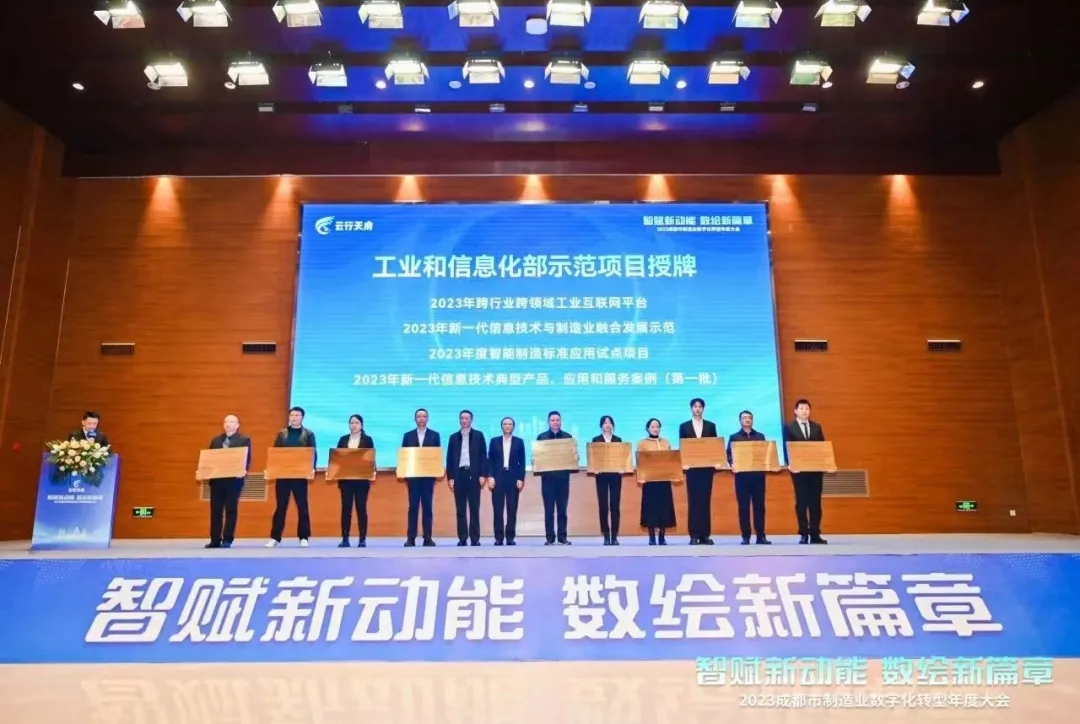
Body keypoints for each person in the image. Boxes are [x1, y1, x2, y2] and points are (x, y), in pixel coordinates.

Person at [266, 406, 316, 548]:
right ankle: (275, 537)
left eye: (297, 415)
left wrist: (312, 468)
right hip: (283, 476)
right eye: (292, 415)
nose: (294, 417)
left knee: (302, 507)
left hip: (300, 476)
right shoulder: (282, 434)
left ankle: (304, 537)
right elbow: (275, 453)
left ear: (302, 418)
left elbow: (313, 452)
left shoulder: (308, 434)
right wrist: (272, 469)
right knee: (280, 507)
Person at [783, 398, 828, 545]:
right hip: (799, 471)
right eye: (801, 409)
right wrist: (790, 464)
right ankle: (803, 533)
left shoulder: (816, 427)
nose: (804, 411)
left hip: (815, 471)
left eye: (807, 409)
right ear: (796, 411)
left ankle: (815, 533)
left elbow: (822, 447)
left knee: (815, 503)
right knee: (801, 503)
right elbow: (786, 447)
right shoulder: (789, 427)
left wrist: (826, 463)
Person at [204, 414, 250, 549]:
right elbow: (209, 459)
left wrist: (243, 470)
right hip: (217, 480)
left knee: (231, 510)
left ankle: (228, 539)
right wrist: (204, 471)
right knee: (215, 511)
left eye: (231, 422)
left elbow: (247, 458)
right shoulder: (216, 440)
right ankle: (215, 540)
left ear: (237, 425)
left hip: (234, 481)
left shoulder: (244, 440)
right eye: (226, 422)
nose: (228, 424)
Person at [678, 398, 718, 545]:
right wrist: (684, 463)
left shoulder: (711, 426)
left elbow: (714, 445)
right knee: (694, 501)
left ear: (703, 409)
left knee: (705, 501)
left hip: (707, 469)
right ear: (691, 409)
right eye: (695, 406)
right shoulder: (684, 426)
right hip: (692, 469)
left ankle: (705, 535)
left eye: (700, 407)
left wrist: (716, 461)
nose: (697, 409)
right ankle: (694, 535)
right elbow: (682, 446)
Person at [727, 410, 770, 546]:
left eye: (749, 418)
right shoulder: (734, 437)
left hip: (758, 477)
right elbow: (729, 454)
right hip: (742, 478)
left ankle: (760, 536)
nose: (747, 420)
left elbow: (766, 454)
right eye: (744, 418)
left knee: (759, 506)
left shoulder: (760, 436)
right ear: (740, 421)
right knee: (743, 507)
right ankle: (745, 536)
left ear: (752, 420)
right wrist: (732, 463)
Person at [446, 410, 488, 546]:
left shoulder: (479, 435)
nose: (464, 420)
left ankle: (475, 538)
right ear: (459, 420)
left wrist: (483, 474)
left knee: (474, 507)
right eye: (462, 418)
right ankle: (462, 538)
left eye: (467, 418)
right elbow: (449, 458)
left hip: (474, 475)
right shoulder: (453, 437)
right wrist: (450, 477)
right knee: (460, 509)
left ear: (471, 420)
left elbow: (483, 456)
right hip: (459, 475)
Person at [402, 408, 440, 547]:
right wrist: (404, 473)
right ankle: (411, 538)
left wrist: (436, 471)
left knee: (427, 508)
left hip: (428, 478)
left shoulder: (435, 435)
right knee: (413, 507)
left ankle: (427, 537)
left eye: (424, 416)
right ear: (415, 419)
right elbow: (404, 456)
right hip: (413, 478)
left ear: (427, 418)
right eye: (419, 416)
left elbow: (436, 456)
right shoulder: (408, 436)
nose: (421, 418)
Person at [336, 414, 374, 548]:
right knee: (346, 509)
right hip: (346, 480)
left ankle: (362, 539)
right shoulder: (343, 439)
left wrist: (372, 470)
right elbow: (337, 458)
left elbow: (371, 457)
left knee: (361, 508)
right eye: (351, 423)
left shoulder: (367, 439)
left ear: (361, 425)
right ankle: (345, 539)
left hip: (361, 480)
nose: (354, 425)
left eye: (357, 423)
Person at [487, 416, 525, 546]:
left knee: (512, 509)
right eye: (505, 424)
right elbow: (490, 460)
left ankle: (510, 537)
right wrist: (490, 476)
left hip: (513, 477)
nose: (507, 426)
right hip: (498, 477)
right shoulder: (494, 441)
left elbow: (522, 462)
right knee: (498, 509)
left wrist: (521, 478)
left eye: (510, 424)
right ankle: (498, 538)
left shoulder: (519, 442)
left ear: (513, 426)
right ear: (501, 426)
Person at [537, 410, 574, 545]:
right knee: (549, 510)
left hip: (563, 479)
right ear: (548, 422)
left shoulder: (567, 437)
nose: (555, 422)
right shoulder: (541, 437)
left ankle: (562, 537)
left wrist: (574, 458)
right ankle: (550, 538)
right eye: (552, 420)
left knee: (562, 510)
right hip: (547, 480)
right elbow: (537, 457)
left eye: (557, 420)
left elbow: (572, 456)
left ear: (561, 421)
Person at [638, 418, 676, 545]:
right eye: (653, 426)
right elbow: (640, 461)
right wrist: (641, 476)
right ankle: (651, 537)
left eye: (657, 426)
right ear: (647, 428)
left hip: (664, 479)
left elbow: (671, 461)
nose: (655, 429)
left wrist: (673, 474)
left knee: (664, 508)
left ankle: (662, 537)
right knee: (650, 508)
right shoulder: (642, 443)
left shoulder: (666, 442)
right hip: (649, 480)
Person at [591, 415, 623, 546]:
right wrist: (594, 468)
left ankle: (614, 536)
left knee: (615, 506)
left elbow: (622, 457)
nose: (607, 425)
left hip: (615, 475)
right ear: (601, 426)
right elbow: (593, 457)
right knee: (603, 506)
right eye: (605, 423)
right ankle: (606, 535)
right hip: (601, 476)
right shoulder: (596, 440)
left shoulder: (618, 440)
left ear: (613, 425)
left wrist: (622, 467)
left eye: (609, 422)